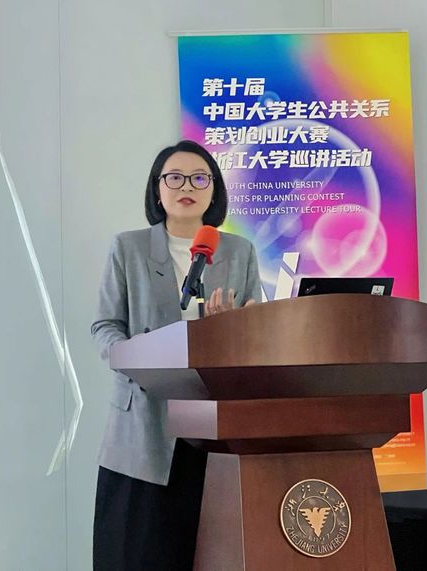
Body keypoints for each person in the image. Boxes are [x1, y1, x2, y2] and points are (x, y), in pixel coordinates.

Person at [91, 140, 262, 570]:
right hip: (144, 425)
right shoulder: (128, 248)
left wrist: (229, 328)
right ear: (157, 188)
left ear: (214, 189)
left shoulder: (239, 252)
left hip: (214, 424)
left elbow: (255, 332)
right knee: (138, 554)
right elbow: (105, 326)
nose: (187, 186)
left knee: (211, 553)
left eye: (200, 178)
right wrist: (135, 360)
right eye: (175, 177)